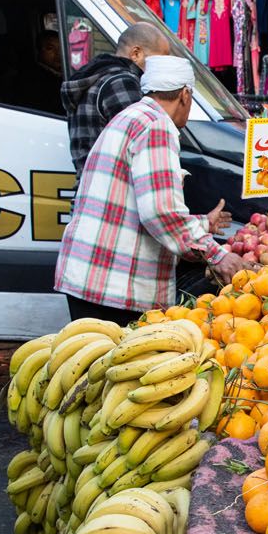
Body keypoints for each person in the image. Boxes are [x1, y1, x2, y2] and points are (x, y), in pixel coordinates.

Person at [55, 56, 248, 324]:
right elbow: (160, 213)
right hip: (112, 286)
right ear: (184, 95)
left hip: (91, 275)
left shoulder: (130, 116)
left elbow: (137, 206)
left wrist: (202, 223)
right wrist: (217, 255)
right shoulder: (156, 126)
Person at [61, 22, 171, 172]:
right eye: (159, 61)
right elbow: (140, 144)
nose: (162, 69)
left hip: (89, 185)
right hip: (111, 187)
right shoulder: (122, 82)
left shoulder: (98, 77)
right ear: (136, 54)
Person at [19, 30, 65, 115]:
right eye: (50, 48)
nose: (58, 54)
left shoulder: (64, 71)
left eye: (61, 47)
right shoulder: (34, 79)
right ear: (39, 52)